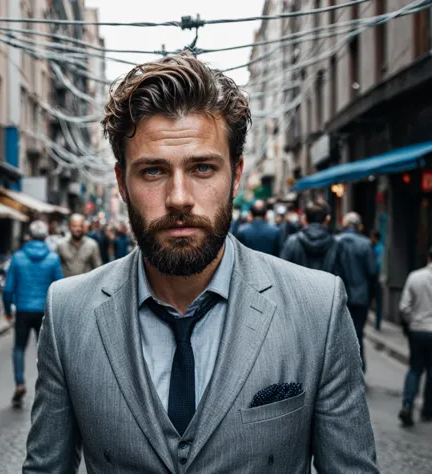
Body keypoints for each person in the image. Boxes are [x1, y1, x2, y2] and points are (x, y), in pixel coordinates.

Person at [23, 54, 378, 473]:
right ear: (122, 183)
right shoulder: (68, 312)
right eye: (153, 171)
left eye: (203, 168)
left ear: (236, 175)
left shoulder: (317, 307)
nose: (178, 198)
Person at [3, 220, 64, 408]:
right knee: (44, 351)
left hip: (22, 309)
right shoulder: (53, 258)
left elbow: (7, 288)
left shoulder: (18, 257)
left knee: (19, 348)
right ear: (46, 237)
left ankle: (20, 383)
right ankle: (44, 387)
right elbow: (60, 286)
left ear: (29, 236)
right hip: (44, 311)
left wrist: (7, 310)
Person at [337, 212, 378, 371]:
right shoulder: (366, 244)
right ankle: (359, 368)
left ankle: (341, 370)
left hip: (339, 294)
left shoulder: (336, 242)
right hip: (361, 296)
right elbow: (373, 270)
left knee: (338, 333)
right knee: (358, 332)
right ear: (358, 226)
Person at [397, 245, 432, 427]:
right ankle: (427, 410)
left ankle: (407, 404)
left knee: (415, 368)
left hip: (418, 330)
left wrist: (412, 323)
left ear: (428, 257)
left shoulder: (415, 277)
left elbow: (404, 307)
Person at [281, 200, 343, 276]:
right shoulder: (337, 243)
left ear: (305, 219)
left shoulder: (292, 241)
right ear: (327, 220)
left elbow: (283, 272)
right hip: (327, 287)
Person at [370, 231, 384, 331]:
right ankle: (377, 324)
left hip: (375, 279)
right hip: (379, 279)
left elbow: (376, 265)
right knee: (379, 303)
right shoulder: (381, 248)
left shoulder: (376, 249)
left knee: (374, 301)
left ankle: (377, 323)